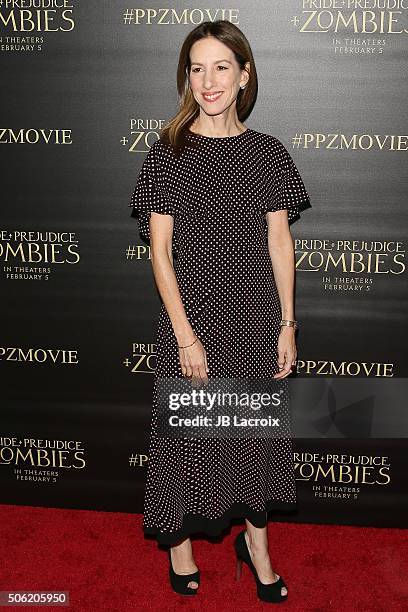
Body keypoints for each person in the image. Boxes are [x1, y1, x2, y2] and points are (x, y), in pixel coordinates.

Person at [129, 20, 311, 603]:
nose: (207, 81)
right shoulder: (168, 154)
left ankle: (256, 547)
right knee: (184, 438)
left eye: (221, 67)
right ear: (187, 77)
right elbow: (158, 251)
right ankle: (179, 546)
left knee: (254, 438)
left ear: (244, 75)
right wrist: (184, 335)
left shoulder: (267, 153)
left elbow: (280, 242)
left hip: (255, 316)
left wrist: (288, 322)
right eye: (197, 68)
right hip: (192, 319)